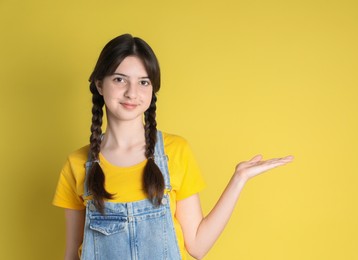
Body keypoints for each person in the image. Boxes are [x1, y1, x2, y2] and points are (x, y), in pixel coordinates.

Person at [53, 33, 294, 260]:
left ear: (152, 89)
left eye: (144, 82)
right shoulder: (77, 164)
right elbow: (72, 254)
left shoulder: (175, 151)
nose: (132, 93)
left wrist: (239, 178)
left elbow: (198, 247)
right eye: (119, 79)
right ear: (99, 84)